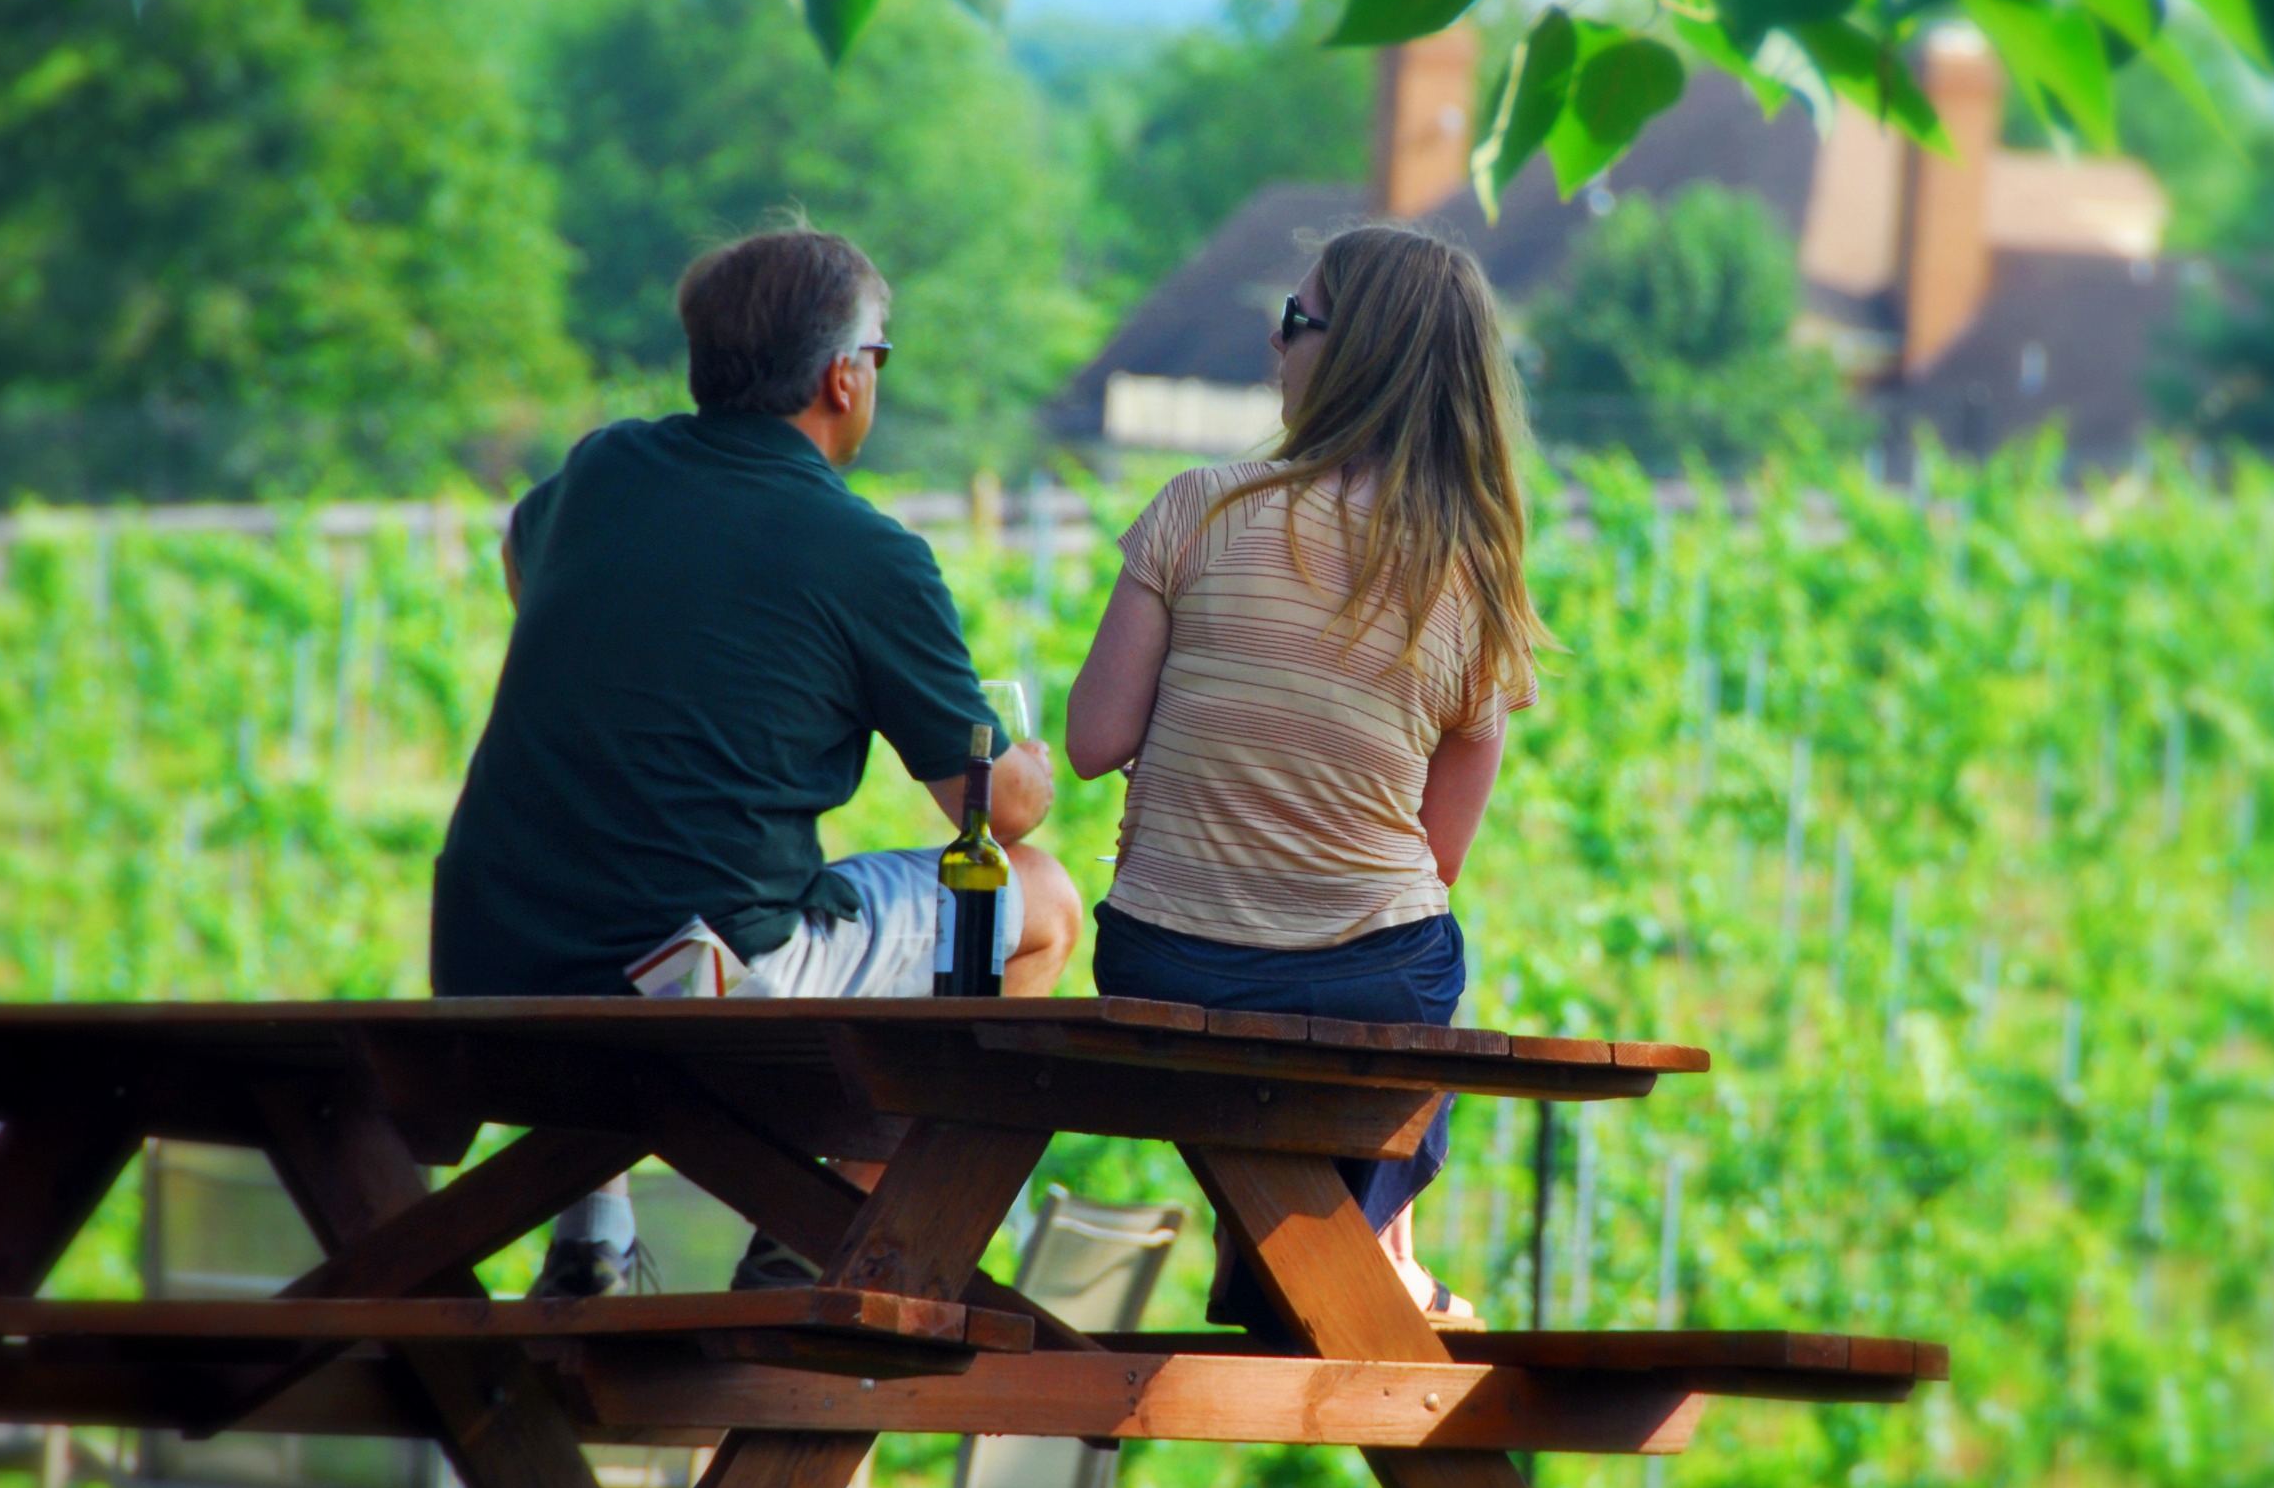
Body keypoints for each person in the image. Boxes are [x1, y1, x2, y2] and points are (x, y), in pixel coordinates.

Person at [431, 224, 1081, 1295]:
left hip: (488, 958)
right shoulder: (867, 551)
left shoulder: (603, 471)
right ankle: (824, 1245)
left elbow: (519, 551)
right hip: (699, 980)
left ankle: (593, 1238)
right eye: (881, 358)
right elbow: (995, 805)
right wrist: (1029, 769)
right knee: (1042, 903)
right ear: (842, 375)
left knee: (624, 905)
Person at [1063, 223, 1546, 1336]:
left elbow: (1092, 736)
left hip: (1163, 964)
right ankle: (1359, 1250)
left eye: (1293, 318)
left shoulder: (1199, 509)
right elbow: (1441, 858)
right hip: (1367, 979)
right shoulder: (1470, 572)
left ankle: (1298, 1249)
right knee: (1421, 957)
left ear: (1353, 352)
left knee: (1290, 1012)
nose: (1273, 342)